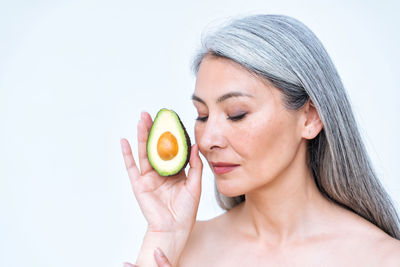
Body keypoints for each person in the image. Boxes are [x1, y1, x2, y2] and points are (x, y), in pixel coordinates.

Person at [120, 14, 400, 266]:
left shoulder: (382, 258)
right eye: (202, 116)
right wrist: (163, 233)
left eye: (237, 114)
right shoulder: (181, 248)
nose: (207, 141)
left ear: (310, 118)